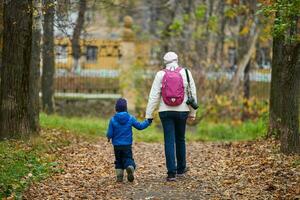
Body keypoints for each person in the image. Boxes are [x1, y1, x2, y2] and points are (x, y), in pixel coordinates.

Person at [145, 52, 197, 181]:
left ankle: (171, 173)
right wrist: (193, 112)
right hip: (182, 110)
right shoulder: (185, 72)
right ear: (177, 60)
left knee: (169, 140)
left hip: (165, 111)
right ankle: (181, 168)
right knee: (180, 139)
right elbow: (193, 93)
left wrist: (149, 114)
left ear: (165, 62)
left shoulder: (160, 74)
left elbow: (154, 96)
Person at [107, 98, 152, 182]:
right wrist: (147, 122)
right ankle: (130, 167)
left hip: (116, 145)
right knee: (128, 158)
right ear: (126, 108)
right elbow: (140, 126)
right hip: (127, 145)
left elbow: (109, 133)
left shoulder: (112, 120)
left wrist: (109, 137)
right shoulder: (130, 118)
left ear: (116, 108)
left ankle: (119, 176)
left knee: (118, 160)